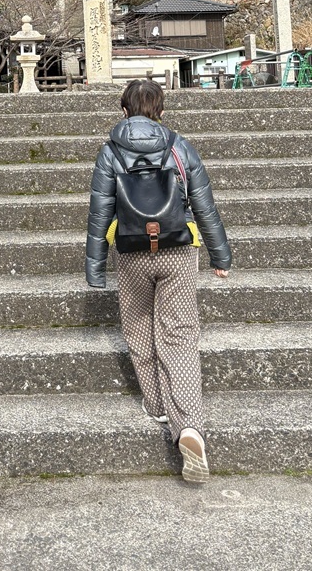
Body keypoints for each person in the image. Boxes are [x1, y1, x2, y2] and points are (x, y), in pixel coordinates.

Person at [85, 78, 232, 483]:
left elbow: (100, 211)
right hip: (178, 247)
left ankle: (157, 406)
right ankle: (189, 425)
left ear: (124, 110)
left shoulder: (110, 151)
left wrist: (95, 267)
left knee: (138, 328)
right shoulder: (179, 146)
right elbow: (204, 205)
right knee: (179, 334)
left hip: (131, 251)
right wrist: (220, 255)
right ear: (161, 111)